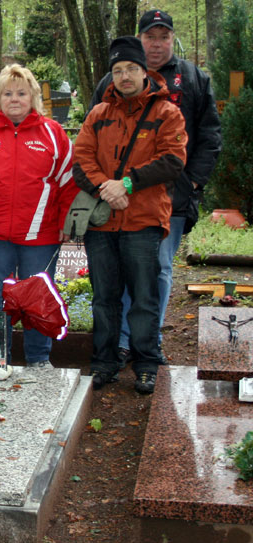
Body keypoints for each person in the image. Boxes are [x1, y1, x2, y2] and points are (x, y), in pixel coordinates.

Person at [89, 9, 221, 367]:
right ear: (140, 40)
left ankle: (146, 340)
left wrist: (192, 181)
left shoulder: (192, 77)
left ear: (171, 39)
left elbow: (209, 135)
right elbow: (91, 138)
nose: (157, 44)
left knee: (157, 270)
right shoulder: (111, 82)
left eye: (163, 37)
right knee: (119, 274)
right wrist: (106, 187)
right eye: (150, 37)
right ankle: (122, 342)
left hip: (170, 198)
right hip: (114, 202)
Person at [73, 36, 187, 394]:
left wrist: (127, 184)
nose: (124, 76)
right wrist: (105, 188)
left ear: (144, 72)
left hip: (144, 220)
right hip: (102, 222)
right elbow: (81, 160)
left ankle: (146, 363)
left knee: (143, 297)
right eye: (118, 70)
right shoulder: (98, 114)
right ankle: (105, 362)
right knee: (104, 296)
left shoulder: (167, 112)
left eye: (131, 69)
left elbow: (172, 160)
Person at [0, 64, 80, 369]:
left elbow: (68, 182)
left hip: (41, 235)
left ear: (33, 96)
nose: (14, 99)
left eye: (21, 93)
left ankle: (38, 359)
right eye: (7, 93)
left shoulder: (54, 134)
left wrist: (66, 224)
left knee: (36, 298)